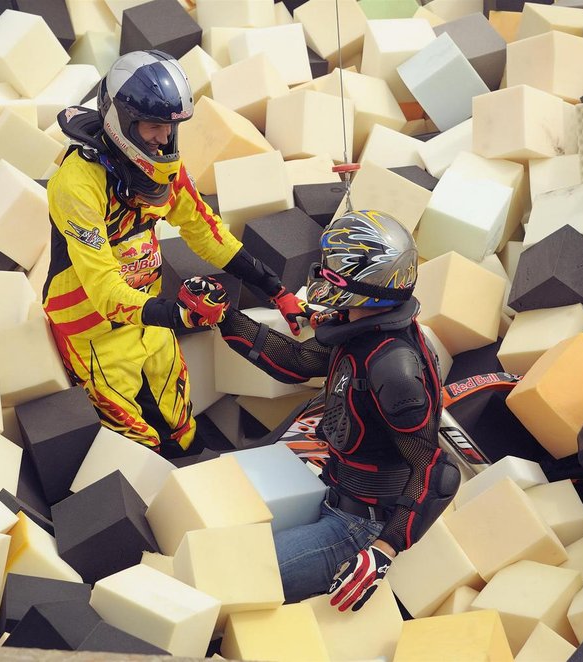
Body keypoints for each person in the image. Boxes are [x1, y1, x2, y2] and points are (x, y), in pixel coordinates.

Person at [43, 50, 308, 456]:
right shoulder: (76, 184)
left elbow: (207, 234)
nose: (164, 139)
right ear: (120, 122)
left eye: (171, 128)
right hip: (93, 331)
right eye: (153, 127)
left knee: (182, 424)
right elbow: (104, 290)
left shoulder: (165, 165)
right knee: (136, 444)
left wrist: (277, 290)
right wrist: (180, 315)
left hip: (149, 317)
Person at [216, 209, 461, 610]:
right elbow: (299, 361)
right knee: (214, 533)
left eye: (332, 269)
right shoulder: (364, 328)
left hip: (361, 526)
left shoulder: (393, 367)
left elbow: (438, 470)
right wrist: (226, 319)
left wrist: (383, 550)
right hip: (333, 490)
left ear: (364, 283)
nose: (321, 274)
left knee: (234, 579)